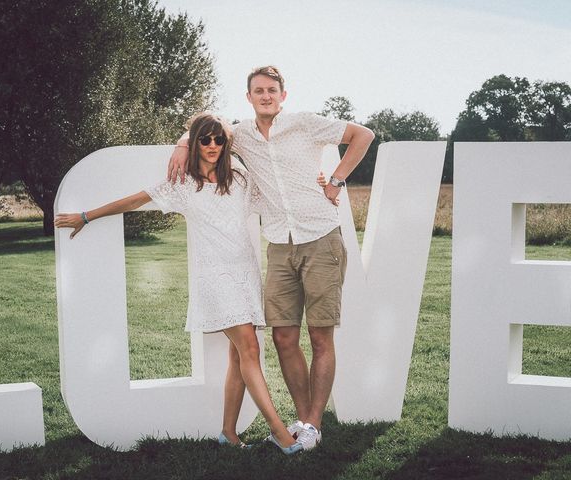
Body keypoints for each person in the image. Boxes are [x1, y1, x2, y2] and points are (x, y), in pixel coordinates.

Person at [55, 113, 309, 455]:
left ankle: (228, 435)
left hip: (246, 274)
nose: (213, 146)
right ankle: (280, 433)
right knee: (250, 350)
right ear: (194, 144)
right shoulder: (183, 185)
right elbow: (135, 200)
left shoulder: (239, 178)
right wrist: (87, 216)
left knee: (238, 357)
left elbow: (275, 197)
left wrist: (319, 184)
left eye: (219, 140)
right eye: (205, 140)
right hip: (215, 279)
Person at [168, 66, 375, 450]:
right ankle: (302, 420)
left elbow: (363, 135)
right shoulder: (241, 134)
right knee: (282, 336)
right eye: (258, 91)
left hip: (320, 237)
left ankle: (314, 422)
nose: (265, 96)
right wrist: (183, 144)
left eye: (272, 90)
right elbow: (204, 128)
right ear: (248, 98)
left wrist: (336, 180)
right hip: (279, 245)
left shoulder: (305, 124)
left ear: (283, 94)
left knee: (320, 335)